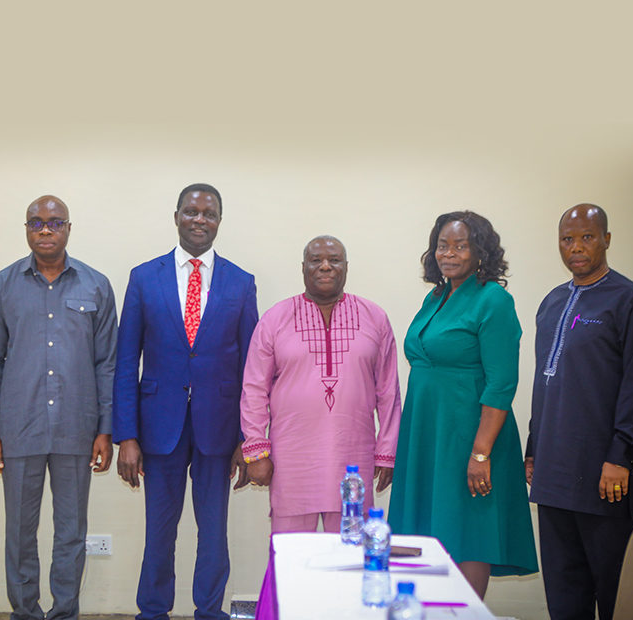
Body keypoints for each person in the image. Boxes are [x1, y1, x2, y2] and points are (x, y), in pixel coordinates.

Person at [114, 183, 258, 620]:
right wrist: (127, 436)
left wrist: (249, 441)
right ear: (175, 216)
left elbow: (253, 370)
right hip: (159, 427)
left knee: (213, 532)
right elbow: (125, 362)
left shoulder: (241, 281)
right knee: (159, 532)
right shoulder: (144, 277)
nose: (200, 220)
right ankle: (153, 612)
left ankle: (209, 613)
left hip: (220, 428)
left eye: (209, 213)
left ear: (219, 221)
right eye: (191, 211)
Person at [0, 196, 118, 620]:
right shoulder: (2, 285)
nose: (45, 230)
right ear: (25, 229)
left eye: (54, 222)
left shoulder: (96, 285)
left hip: (78, 428)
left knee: (71, 533)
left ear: (68, 228)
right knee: (20, 533)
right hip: (19, 428)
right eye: (36, 222)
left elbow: (107, 362)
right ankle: (25, 612)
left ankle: (64, 612)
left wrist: (105, 428)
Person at [388, 211, 537, 599]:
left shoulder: (494, 300)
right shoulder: (435, 297)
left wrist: (482, 453)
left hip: (471, 435)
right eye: (442, 245)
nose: (448, 253)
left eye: (460, 245)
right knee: (431, 525)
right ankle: (429, 607)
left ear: (480, 251)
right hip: (427, 432)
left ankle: (462, 611)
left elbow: (502, 382)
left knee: (469, 528)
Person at [525, 204, 633, 620]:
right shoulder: (552, 302)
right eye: (567, 239)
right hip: (553, 473)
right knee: (564, 591)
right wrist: (533, 448)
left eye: (587, 237)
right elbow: (545, 381)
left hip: (604, 474)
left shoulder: (631, 301)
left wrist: (621, 455)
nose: (576, 247)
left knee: (614, 592)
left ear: (607, 240)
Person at [240, 235, 401, 533]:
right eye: (316, 260)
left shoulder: (374, 317)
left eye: (334, 260)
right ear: (303, 268)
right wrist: (256, 450)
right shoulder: (275, 319)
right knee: (291, 559)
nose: (325, 266)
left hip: (354, 457)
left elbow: (389, 391)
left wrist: (387, 451)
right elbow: (253, 389)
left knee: (349, 558)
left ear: (346, 267)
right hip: (291, 460)